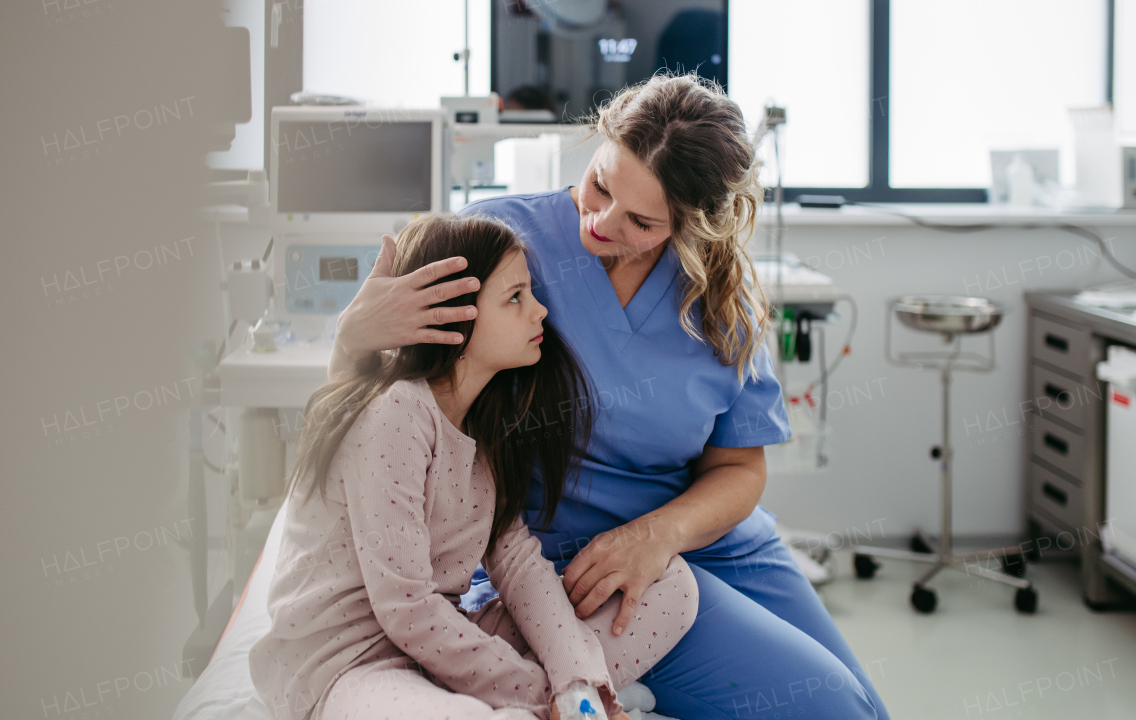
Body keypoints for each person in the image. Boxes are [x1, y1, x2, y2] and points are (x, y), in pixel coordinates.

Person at [329, 73, 890, 720]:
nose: (599, 222)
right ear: (597, 143)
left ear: (693, 225)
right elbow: (393, 397)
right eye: (599, 185)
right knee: (833, 710)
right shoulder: (502, 246)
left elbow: (739, 467)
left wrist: (661, 533)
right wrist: (354, 336)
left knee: (868, 708)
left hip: (711, 539)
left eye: (641, 221)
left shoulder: (716, 296)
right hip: (578, 556)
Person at [250, 213, 699, 720]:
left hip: (440, 643)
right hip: (352, 664)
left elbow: (519, 563)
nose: (540, 313)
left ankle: (572, 697)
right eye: (515, 298)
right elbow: (405, 609)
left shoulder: (485, 429)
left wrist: (576, 681)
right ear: (453, 320)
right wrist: (544, 691)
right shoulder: (397, 412)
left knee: (674, 587)